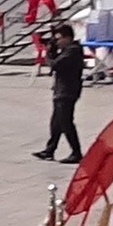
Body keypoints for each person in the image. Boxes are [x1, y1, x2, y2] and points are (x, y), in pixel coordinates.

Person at [36, 23, 87, 161]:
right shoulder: (66, 50)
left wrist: (48, 53)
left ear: (68, 38)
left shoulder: (73, 50)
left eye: (59, 39)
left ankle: (76, 152)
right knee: (56, 123)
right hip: (61, 90)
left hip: (67, 91)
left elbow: (55, 65)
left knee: (66, 122)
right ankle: (50, 149)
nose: (57, 42)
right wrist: (52, 51)